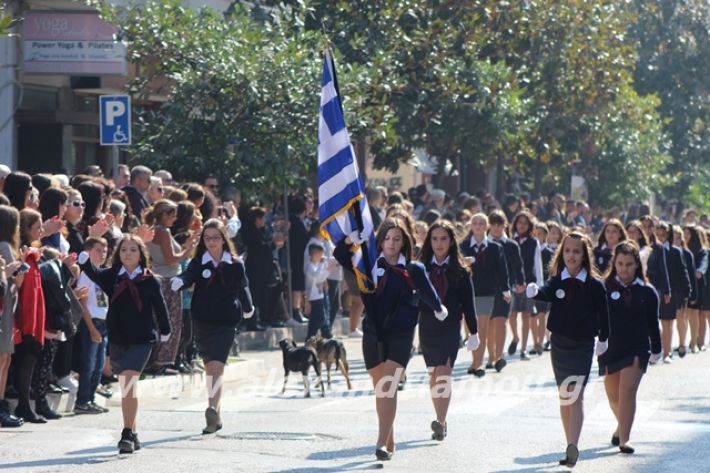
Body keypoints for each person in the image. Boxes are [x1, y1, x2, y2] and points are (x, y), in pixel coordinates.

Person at [334, 218, 445, 461]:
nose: (391, 243)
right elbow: (341, 255)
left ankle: (380, 442)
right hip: (373, 332)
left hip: (401, 334)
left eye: (397, 239)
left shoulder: (414, 269)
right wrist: (351, 240)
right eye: (387, 238)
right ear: (380, 240)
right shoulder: (368, 264)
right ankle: (389, 437)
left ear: (404, 242)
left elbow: (429, 292)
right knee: (381, 390)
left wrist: (439, 308)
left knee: (389, 386)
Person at [78, 234, 171, 454]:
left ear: (141, 255)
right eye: (123, 250)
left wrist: (165, 330)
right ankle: (134, 432)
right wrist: (83, 260)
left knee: (129, 383)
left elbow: (160, 307)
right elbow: (94, 272)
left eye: (133, 250)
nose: (128, 253)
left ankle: (127, 433)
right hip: (119, 339)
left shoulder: (150, 280)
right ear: (118, 254)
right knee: (127, 388)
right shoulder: (112, 276)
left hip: (142, 340)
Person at [526, 231, 610, 468]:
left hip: (583, 344)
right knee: (565, 394)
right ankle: (568, 443)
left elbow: (604, 315)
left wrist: (604, 339)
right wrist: (535, 292)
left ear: (584, 255)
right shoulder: (557, 279)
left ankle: (573, 444)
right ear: (562, 253)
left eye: (576, 251)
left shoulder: (594, 284)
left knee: (576, 393)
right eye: (568, 251)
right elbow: (546, 293)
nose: (571, 255)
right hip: (560, 343)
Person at [171, 219, 253, 434]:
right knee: (211, 369)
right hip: (203, 320)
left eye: (216, 237)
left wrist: (248, 307)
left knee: (217, 366)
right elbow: (188, 275)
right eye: (207, 238)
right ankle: (216, 414)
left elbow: (242, 287)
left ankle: (211, 408)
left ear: (224, 239)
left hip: (226, 320)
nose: (211, 242)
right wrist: (180, 281)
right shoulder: (200, 262)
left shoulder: (235, 263)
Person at [598, 241, 661, 454]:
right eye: (620, 264)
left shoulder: (647, 292)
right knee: (613, 396)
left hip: (637, 348)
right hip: (610, 349)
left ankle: (625, 438)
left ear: (637, 265)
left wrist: (657, 349)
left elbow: (653, 323)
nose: (624, 269)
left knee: (627, 391)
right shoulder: (604, 288)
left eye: (628, 264)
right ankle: (620, 425)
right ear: (614, 264)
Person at [419, 220, 478, 440]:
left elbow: (468, 304)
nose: (439, 243)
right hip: (428, 326)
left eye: (443, 238)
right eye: (434, 239)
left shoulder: (461, 271)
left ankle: (440, 421)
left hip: (451, 327)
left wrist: (474, 332)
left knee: (444, 373)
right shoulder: (421, 268)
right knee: (434, 375)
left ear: (451, 241)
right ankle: (440, 419)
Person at [145, 200, 199, 372]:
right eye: (173, 215)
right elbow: (171, 259)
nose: (175, 220)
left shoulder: (153, 230)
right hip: (168, 281)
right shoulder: (163, 231)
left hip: (161, 279)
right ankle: (160, 362)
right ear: (165, 214)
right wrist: (188, 248)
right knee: (170, 323)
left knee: (161, 321)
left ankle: (157, 361)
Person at [461, 213, 510, 375]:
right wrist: (464, 263)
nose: (478, 225)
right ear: (471, 226)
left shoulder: (496, 248)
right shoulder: (463, 246)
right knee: (470, 331)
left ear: (487, 226)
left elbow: (502, 271)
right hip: (467, 293)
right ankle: (475, 362)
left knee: (481, 329)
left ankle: (478, 364)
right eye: (475, 222)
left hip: (487, 293)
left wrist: (505, 289)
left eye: (482, 223)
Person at [74, 237, 111, 414]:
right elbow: (83, 304)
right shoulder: (86, 275)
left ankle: (90, 399)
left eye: (105, 251)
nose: (102, 254)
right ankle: (82, 401)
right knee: (88, 364)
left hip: (104, 323)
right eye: (98, 250)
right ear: (88, 252)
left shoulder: (104, 273)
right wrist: (91, 328)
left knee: (99, 365)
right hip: (93, 323)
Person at [487, 210, 525, 361]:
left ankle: (498, 356)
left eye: (500, 224)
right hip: (486, 288)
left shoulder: (511, 245)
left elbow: (518, 265)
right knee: (488, 323)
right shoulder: (483, 243)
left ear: (505, 225)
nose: (496, 228)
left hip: (506, 288)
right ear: (489, 225)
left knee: (501, 321)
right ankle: (490, 355)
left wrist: (521, 282)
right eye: (494, 224)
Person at [0, 205, 25, 427]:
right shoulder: (5, 246)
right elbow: (16, 280)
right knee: (3, 359)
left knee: (5, 358)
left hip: (7, 306)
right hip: (4, 307)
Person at [654, 222, 690, 363]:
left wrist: (687, 290)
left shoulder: (675, 251)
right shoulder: (652, 251)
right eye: (657, 235)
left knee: (667, 322)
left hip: (670, 291)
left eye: (663, 235)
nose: (660, 238)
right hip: (654, 289)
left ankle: (667, 352)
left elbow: (683, 272)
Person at [510, 211, 543, 358]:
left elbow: (538, 264)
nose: (522, 226)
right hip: (512, 284)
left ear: (529, 225)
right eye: (519, 222)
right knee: (511, 316)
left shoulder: (533, 242)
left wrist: (539, 287)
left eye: (525, 223)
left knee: (526, 316)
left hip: (529, 283)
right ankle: (515, 337)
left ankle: (523, 349)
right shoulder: (510, 241)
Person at [683, 225, 708, 353]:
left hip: (699, 286)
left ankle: (698, 341)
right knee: (688, 314)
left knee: (699, 313)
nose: (685, 236)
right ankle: (691, 339)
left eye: (688, 234)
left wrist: (699, 271)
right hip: (685, 285)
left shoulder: (701, 251)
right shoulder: (682, 250)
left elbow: (703, 265)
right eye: (684, 233)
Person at [304, 243, 335, 339]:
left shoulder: (317, 265)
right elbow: (318, 277)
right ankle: (312, 334)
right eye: (319, 254)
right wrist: (327, 269)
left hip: (319, 295)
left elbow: (321, 275)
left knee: (315, 318)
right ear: (313, 255)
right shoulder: (310, 267)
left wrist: (326, 267)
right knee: (321, 318)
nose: (321, 256)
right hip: (314, 297)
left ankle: (310, 336)